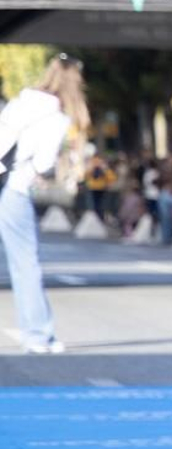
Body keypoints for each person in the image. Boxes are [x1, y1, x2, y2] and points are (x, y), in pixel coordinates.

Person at [0, 54, 84, 353]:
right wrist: (39, 175)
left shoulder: (21, 102)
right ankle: (37, 335)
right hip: (15, 187)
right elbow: (45, 162)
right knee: (25, 262)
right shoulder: (56, 117)